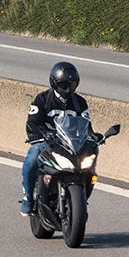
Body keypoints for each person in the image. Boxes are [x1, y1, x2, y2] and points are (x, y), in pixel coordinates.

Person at [20, 61, 91, 215]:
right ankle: (28, 198)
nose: (68, 89)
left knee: (89, 166)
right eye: (64, 85)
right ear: (54, 83)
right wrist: (38, 134)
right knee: (31, 160)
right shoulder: (42, 99)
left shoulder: (80, 102)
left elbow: (87, 125)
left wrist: (93, 136)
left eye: (72, 85)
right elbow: (32, 122)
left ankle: (80, 201)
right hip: (47, 142)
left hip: (70, 143)